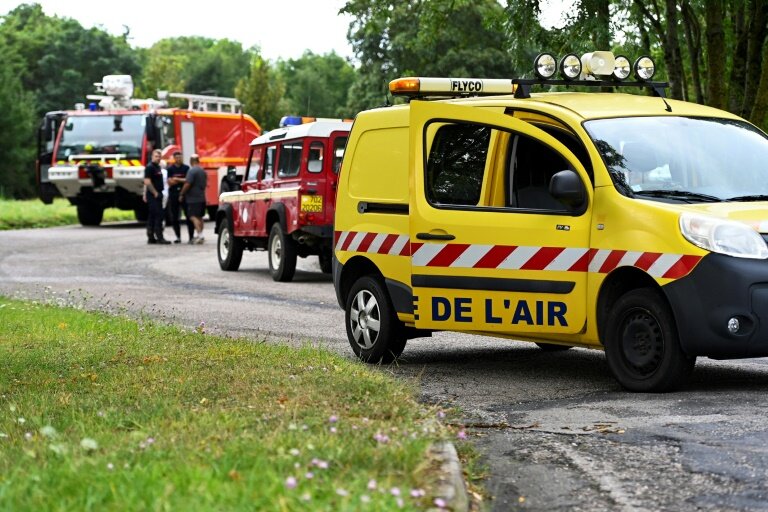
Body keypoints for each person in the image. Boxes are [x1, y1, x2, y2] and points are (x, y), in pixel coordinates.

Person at [143, 149, 171, 244]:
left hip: (159, 193)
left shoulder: (158, 167)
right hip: (153, 195)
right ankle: (160, 237)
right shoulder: (150, 167)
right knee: (159, 216)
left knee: (152, 216)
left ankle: (151, 237)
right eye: (156, 156)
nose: (158, 158)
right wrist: (155, 193)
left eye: (159, 156)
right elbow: (147, 181)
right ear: (152, 157)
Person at [165, 151, 193, 243]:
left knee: (189, 216)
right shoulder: (170, 169)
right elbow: (170, 182)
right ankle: (178, 237)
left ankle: (191, 237)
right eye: (177, 157)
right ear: (174, 158)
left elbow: (188, 181)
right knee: (174, 217)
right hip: (173, 194)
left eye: (180, 157)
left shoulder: (186, 168)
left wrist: (176, 179)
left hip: (185, 194)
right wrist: (182, 180)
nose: (178, 159)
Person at [179, 154, 207, 244]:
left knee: (192, 216)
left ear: (191, 161)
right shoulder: (202, 171)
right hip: (202, 197)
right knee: (200, 217)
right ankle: (201, 234)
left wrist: (182, 193)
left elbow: (188, 183)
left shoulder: (191, 171)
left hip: (193, 199)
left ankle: (200, 235)